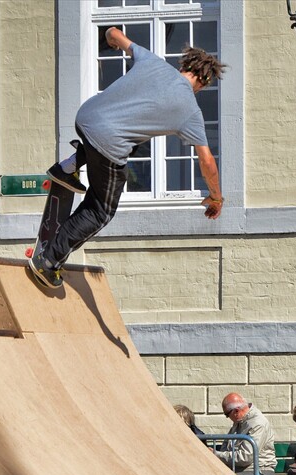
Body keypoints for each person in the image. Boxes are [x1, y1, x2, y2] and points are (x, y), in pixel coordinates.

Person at [28, 26, 226, 288]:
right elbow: (208, 162)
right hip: (108, 145)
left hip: (85, 118)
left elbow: (113, 33)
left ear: (185, 65)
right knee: (100, 210)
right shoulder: (190, 110)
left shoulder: (151, 60)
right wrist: (216, 196)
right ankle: (49, 261)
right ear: (203, 80)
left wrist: (110, 41)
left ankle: (68, 167)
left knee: (132, 138)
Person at [212, 393, 277, 475]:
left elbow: (246, 457)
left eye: (226, 414)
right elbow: (225, 447)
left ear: (236, 411)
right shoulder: (239, 422)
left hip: (260, 473)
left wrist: (216, 454)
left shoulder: (258, 424)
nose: (227, 418)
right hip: (241, 471)